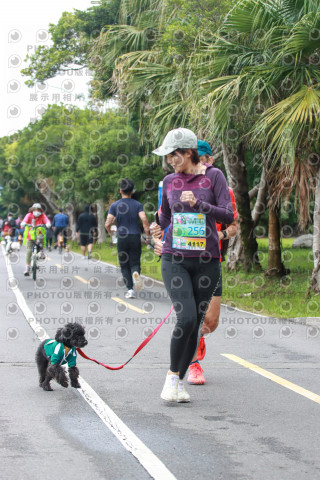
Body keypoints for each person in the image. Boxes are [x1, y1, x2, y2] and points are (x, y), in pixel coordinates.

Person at [151, 127, 234, 403]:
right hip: (175, 259)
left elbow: (228, 214)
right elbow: (164, 217)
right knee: (185, 318)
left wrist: (201, 205)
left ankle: (178, 381)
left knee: (196, 323)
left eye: (173, 155)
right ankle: (172, 377)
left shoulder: (214, 177)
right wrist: (154, 228)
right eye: (168, 157)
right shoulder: (169, 181)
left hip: (207, 261)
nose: (170, 161)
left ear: (188, 152)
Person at [187, 140, 239, 385]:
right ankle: (193, 363)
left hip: (212, 258)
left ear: (211, 160)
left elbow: (234, 227)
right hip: (184, 260)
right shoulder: (179, 186)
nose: (200, 164)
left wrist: (218, 235)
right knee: (192, 315)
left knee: (211, 321)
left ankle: (200, 337)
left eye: (203, 158)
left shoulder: (223, 191)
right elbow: (165, 219)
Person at [105, 178, 151, 299]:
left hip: (122, 237)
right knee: (135, 262)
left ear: (120, 191)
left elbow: (107, 223)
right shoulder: (138, 204)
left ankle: (130, 289)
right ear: (132, 191)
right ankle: (136, 274)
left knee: (124, 264)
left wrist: (111, 233)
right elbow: (144, 220)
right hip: (135, 236)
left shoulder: (114, 205)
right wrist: (147, 236)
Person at [21, 203, 51, 276]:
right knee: (28, 252)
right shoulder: (29, 215)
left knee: (41, 238)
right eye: (35, 209)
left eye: (38, 210)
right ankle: (27, 268)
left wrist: (47, 224)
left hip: (39, 234)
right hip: (30, 236)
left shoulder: (43, 216)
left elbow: (47, 221)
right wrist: (24, 223)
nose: (36, 211)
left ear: (40, 210)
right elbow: (24, 222)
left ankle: (41, 250)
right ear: (32, 209)